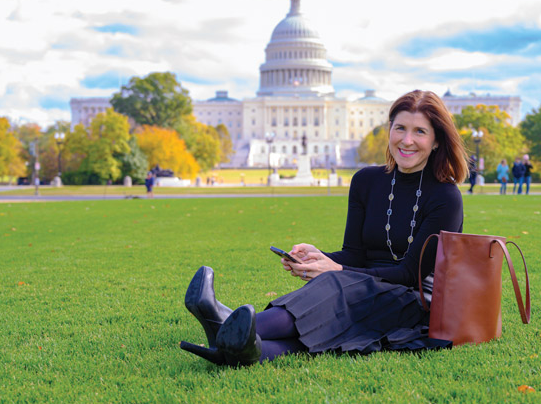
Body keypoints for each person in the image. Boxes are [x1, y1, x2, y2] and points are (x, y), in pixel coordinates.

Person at [179, 90, 469, 366]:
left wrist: (335, 271)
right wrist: (318, 257)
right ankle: (248, 349)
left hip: (414, 299)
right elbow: (354, 254)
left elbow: (409, 274)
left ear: (435, 141)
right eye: (400, 128)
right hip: (361, 286)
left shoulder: (445, 196)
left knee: (333, 282)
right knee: (331, 294)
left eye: (420, 131)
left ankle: (222, 321)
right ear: (389, 130)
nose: (406, 140)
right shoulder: (366, 181)